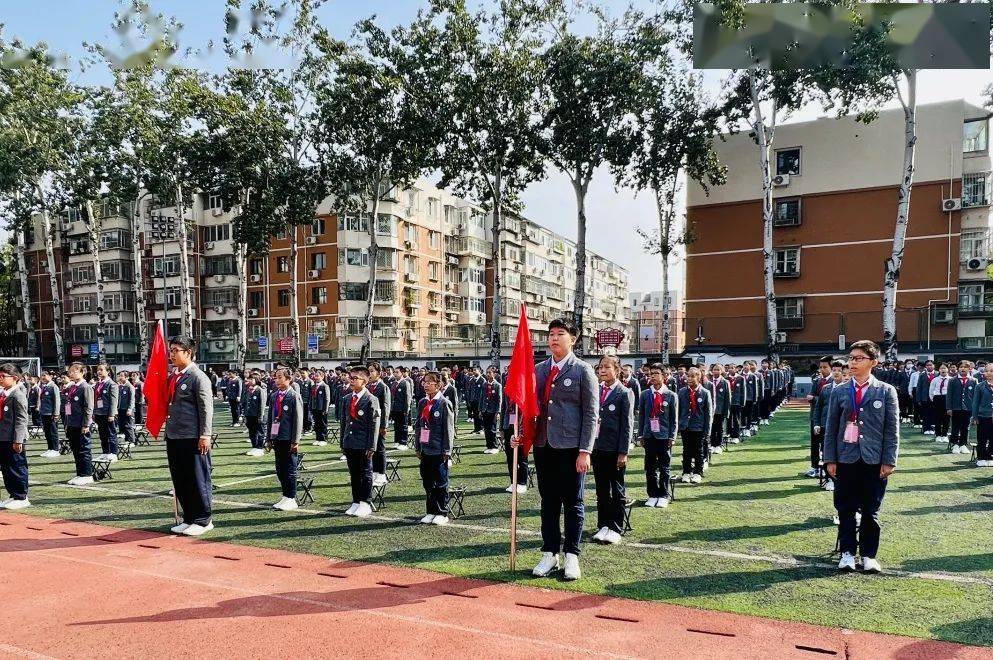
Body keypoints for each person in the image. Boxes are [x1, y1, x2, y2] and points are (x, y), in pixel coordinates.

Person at [515, 319, 597, 581]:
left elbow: (591, 414)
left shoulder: (583, 371)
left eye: (560, 334)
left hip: (571, 447)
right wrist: (521, 435)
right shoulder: (537, 370)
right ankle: (550, 552)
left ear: (573, 339)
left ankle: (572, 555)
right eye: (551, 334)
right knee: (548, 502)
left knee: (573, 502)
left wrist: (585, 450)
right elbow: (526, 407)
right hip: (543, 445)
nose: (554, 339)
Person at [824, 339, 899, 574]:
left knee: (870, 510)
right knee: (845, 508)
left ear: (873, 362)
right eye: (851, 358)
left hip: (874, 460)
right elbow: (831, 427)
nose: (853, 362)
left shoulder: (886, 391)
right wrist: (830, 459)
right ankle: (847, 553)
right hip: (846, 457)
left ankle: (868, 555)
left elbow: (891, 429)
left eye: (859, 358)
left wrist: (889, 460)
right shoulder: (840, 391)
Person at [164, 336, 215, 537]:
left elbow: (206, 409)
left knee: (197, 478)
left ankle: (203, 519)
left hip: (192, 436)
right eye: (171, 350)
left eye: (176, 350)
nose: (172, 354)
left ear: (189, 353)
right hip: (175, 435)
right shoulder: (173, 376)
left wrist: (205, 434)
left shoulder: (198, 377)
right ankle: (189, 517)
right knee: (181, 479)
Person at [591, 355, 634, 545]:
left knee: (616, 489)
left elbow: (627, 425)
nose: (602, 370)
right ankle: (603, 525)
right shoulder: (596, 390)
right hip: (598, 448)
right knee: (601, 489)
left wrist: (623, 452)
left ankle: (616, 526)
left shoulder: (624, 393)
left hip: (615, 449)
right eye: (600, 367)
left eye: (607, 367)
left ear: (616, 370)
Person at [413, 371, 455, 526]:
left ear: (438, 385)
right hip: (425, 448)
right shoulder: (423, 402)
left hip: (438, 449)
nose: (425, 384)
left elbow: (448, 429)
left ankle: (442, 512)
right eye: (424, 381)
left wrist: (447, 451)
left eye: (429, 382)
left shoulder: (444, 403)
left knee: (440, 482)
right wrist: (418, 446)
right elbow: (419, 426)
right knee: (427, 482)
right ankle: (430, 511)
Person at [340, 365, 380, 518]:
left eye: (355, 378)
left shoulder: (371, 399)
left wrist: (371, 445)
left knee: (365, 473)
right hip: (350, 442)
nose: (351, 380)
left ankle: (365, 502)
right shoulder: (347, 398)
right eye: (350, 377)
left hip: (364, 443)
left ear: (364, 381)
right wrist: (343, 442)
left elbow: (374, 424)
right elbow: (344, 422)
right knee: (354, 474)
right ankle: (356, 501)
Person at [266, 367, 304, 511]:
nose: (276, 380)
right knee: (280, 468)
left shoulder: (294, 396)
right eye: (275, 377)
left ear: (288, 379)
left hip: (289, 438)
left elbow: (298, 420)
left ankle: (291, 497)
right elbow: (270, 418)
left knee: (289, 468)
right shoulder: (274, 395)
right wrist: (269, 437)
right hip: (277, 437)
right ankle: (285, 495)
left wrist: (296, 441)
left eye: (280, 377)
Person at [0, 363, 30, 510]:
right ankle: (12, 494)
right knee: (6, 468)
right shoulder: (4, 394)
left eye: (3, 377)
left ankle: (21, 496)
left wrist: (18, 440)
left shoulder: (18, 394)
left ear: (14, 378)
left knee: (17, 466)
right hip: (3, 437)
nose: (0, 379)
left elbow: (21, 419)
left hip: (13, 437)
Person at [678, 367, 712, 484]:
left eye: (693, 376)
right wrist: (678, 425)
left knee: (698, 450)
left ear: (699, 377)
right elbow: (679, 410)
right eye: (688, 376)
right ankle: (686, 472)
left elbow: (708, 414)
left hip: (699, 426)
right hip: (685, 426)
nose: (690, 379)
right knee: (686, 450)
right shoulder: (682, 392)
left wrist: (707, 430)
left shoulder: (705, 393)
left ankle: (698, 472)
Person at [63, 362, 95, 486]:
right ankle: (80, 473)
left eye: (74, 371)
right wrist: (67, 421)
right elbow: (68, 406)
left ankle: (87, 474)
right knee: (76, 449)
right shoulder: (72, 387)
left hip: (81, 423)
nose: (70, 373)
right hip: (72, 423)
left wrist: (86, 424)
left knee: (83, 449)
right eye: (69, 371)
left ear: (82, 373)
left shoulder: (85, 387)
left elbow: (89, 407)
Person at [366, 362, 392, 488]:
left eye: (372, 371)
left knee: (380, 448)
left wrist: (383, 425)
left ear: (379, 373)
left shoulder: (383, 387)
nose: (369, 373)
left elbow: (385, 407)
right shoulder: (369, 386)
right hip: (369, 423)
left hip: (378, 422)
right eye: (369, 371)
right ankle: (374, 472)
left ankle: (382, 474)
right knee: (372, 448)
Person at [807, 357, 833, 478]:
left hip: (827, 418)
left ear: (831, 368)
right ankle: (814, 467)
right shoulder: (817, 380)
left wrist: (814, 398)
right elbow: (812, 394)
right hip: (815, 416)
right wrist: (811, 397)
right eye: (821, 367)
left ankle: (825, 469)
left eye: (825, 367)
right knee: (814, 443)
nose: (822, 369)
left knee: (825, 444)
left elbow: (828, 400)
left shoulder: (834, 382)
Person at [946, 360, 976, 454]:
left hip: (968, 408)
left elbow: (975, 396)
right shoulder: (952, 380)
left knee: (965, 427)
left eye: (965, 367)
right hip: (956, 407)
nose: (963, 369)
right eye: (961, 367)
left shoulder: (973, 380)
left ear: (969, 368)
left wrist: (974, 409)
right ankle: (954, 444)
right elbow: (949, 395)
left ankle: (963, 444)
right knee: (955, 426)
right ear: (958, 368)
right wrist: (949, 408)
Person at [92, 363, 120, 462]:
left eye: (101, 370)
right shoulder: (98, 384)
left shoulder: (112, 384)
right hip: (99, 413)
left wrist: (112, 414)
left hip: (108, 414)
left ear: (108, 371)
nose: (98, 372)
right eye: (98, 370)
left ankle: (113, 453)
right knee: (102, 434)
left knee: (111, 433)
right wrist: (94, 412)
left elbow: (113, 400)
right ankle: (105, 452)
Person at [971, 363, 993, 467]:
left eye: (991, 371)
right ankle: (981, 457)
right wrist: (975, 416)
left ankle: (989, 456)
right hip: (983, 416)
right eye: (987, 371)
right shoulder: (980, 386)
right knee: (982, 438)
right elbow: (975, 402)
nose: (988, 373)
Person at [706, 364, 729, 456]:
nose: (716, 371)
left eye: (718, 370)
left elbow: (727, 398)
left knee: (719, 428)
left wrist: (726, 411)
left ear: (722, 371)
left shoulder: (725, 382)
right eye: (714, 370)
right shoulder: (709, 382)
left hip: (720, 409)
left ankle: (718, 445)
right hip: (711, 410)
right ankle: (712, 444)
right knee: (711, 427)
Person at [37, 371, 61, 459]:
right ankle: (50, 448)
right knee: (47, 432)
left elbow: (57, 401)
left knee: (53, 432)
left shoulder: (53, 387)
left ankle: (55, 449)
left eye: (44, 375)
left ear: (50, 376)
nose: (43, 377)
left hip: (51, 413)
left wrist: (56, 413)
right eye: (41, 376)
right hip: (44, 413)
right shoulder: (44, 387)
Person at [389, 366, 413, 451]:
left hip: (402, 408)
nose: (395, 374)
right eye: (394, 372)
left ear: (402, 373)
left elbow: (408, 397)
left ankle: (403, 442)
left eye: (397, 372)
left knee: (403, 426)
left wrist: (407, 409)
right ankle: (397, 441)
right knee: (396, 426)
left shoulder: (405, 383)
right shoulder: (393, 383)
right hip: (395, 408)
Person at [479, 366, 502, 454]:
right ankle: (488, 446)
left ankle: (494, 446)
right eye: (487, 373)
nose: (488, 374)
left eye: (490, 373)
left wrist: (498, 412)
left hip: (493, 411)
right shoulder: (484, 385)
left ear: (494, 374)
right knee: (486, 429)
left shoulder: (497, 385)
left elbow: (499, 400)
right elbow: (482, 397)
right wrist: (480, 410)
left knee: (493, 429)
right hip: (485, 410)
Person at [244, 374, 268, 457]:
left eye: (252, 379)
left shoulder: (260, 390)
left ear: (256, 380)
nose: (249, 380)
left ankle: (260, 448)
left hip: (257, 415)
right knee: (252, 432)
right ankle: (254, 446)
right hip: (249, 415)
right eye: (249, 379)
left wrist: (260, 416)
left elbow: (262, 404)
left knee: (260, 432)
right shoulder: (248, 390)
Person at [928, 364, 951, 443]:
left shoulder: (951, 379)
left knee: (946, 418)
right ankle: (938, 435)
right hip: (937, 398)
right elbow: (931, 391)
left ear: (948, 369)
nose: (943, 370)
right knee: (937, 418)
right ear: (939, 370)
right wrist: (933, 399)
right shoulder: (935, 379)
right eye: (941, 368)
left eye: (944, 368)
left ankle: (944, 435)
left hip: (947, 398)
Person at [310, 370, 331, 447]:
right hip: (315, 408)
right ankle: (318, 438)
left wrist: (325, 409)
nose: (316, 377)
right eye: (315, 376)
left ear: (322, 377)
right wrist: (311, 407)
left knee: (323, 424)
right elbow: (311, 398)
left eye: (317, 376)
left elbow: (327, 398)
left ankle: (323, 439)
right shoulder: (313, 386)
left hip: (322, 408)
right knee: (316, 424)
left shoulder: (325, 386)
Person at [116, 370, 136, 450]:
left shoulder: (129, 386)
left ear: (127, 377)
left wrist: (130, 409)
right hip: (121, 408)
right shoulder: (120, 386)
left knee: (129, 425)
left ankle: (132, 441)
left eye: (122, 376)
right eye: (119, 376)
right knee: (123, 424)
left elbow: (132, 399)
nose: (120, 377)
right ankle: (127, 440)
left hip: (127, 409)